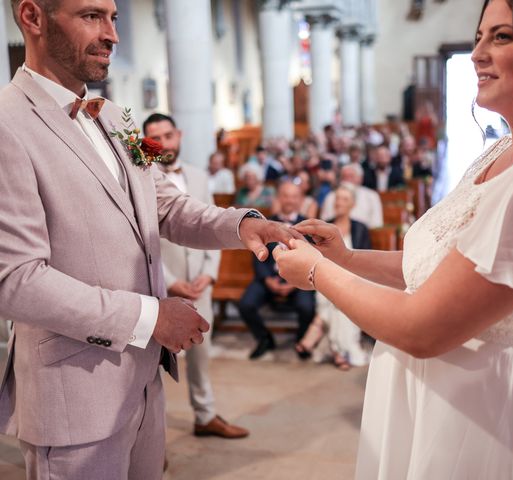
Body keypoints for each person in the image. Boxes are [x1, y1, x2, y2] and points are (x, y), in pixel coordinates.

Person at [274, 0, 513, 478]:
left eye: (503, 37)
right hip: (468, 403)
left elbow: (422, 330)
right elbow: (446, 269)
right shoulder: (507, 150)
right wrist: (344, 258)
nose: (477, 54)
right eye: (479, 37)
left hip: (501, 419)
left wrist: (317, 273)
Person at [0, 1, 294, 478]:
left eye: (114, 18)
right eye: (92, 16)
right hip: (75, 395)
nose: (113, 35)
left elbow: (167, 206)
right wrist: (151, 316)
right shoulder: (7, 125)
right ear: (33, 17)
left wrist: (243, 225)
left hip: (142, 381)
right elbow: (15, 280)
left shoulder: (116, 117)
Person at [143, 113, 248, 439]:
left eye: (168, 134)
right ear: (146, 141)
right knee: (153, 363)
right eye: (155, 137)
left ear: (179, 134)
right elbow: (143, 237)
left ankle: (205, 416)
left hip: (199, 284)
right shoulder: (140, 177)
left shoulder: (199, 176)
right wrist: (170, 280)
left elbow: (213, 225)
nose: (164, 142)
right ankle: (151, 439)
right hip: (160, 285)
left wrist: (209, 275)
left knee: (201, 354)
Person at [297, 184, 371, 370]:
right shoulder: (324, 226)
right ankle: (340, 351)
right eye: (337, 198)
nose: (339, 203)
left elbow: (365, 259)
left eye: (345, 199)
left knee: (340, 299)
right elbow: (316, 255)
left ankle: (321, 333)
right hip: (325, 276)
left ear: (352, 204)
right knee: (335, 299)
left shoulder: (360, 228)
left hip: (352, 279)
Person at [238, 181, 315, 360]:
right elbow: (256, 253)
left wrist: (295, 282)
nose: (290, 200)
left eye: (294, 196)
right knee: (246, 304)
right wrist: (266, 279)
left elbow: (312, 257)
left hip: (299, 280)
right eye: (286, 196)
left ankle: (300, 339)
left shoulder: (309, 226)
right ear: (279, 198)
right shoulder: (264, 223)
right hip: (269, 277)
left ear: (300, 200)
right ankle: (264, 339)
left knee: (307, 307)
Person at [320, 163, 383, 229]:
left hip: (363, 236)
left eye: (351, 176)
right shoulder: (330, 196)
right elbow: (325, 221)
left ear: (360, 178)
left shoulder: (372, 196)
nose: (348, 180)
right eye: (344, 177)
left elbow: (377, 224)